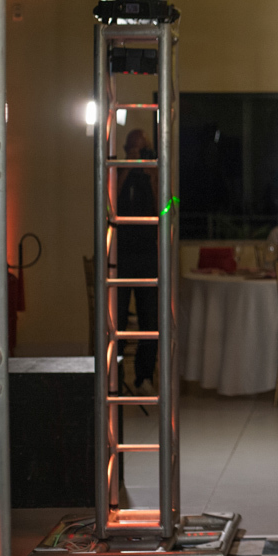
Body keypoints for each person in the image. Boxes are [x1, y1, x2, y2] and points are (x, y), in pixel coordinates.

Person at [117, 129, 158, 394]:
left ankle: (144, 377)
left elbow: (166, 207)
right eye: (133, 149)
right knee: (117, 318)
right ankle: (116, 376)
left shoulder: (153, 172)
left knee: (150, 319)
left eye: (141, 150)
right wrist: (126, 168)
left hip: (147, 254)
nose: (137, 154)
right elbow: (109, 203)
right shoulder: (118, 170)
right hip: (120, 255)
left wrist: (151, 174)